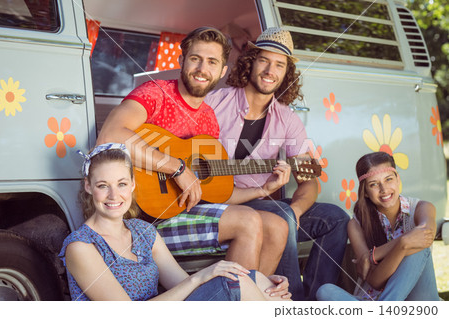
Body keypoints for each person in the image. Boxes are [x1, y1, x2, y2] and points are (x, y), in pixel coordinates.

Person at [96, 26, 290, 294]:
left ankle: (258, 301)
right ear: (181, 61)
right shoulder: (155, 94)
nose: (202, 68)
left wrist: (263, 190)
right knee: (248, 221)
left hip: (184, 212)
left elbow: (212, 193)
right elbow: (109, 136)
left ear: (222, 71)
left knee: (278, 225)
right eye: (196, 58)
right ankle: (229, 302)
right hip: (144, 219)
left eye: (212, 62)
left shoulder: (209, 118)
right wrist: (177, 168)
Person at [205, 27, 350, 301]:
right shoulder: (215, 103)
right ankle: (290, 301)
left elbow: (309, 180)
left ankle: (319, 295)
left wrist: (296, 210)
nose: (270, 70)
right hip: (219, 201)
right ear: (251, 61)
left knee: (335, 218)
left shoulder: (287, 119)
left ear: (286, 73)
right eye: (264, 60)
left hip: (261, 203)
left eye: (279, 65)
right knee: (280, 213)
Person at [58, 144, 289, 301]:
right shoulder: (81, 247)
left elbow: (182, 284)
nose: (113, 195)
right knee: (237, 284)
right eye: (102, 185)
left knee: (258, 280)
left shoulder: (143, 231)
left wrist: (263, 284)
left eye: (121, 184)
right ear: (88, 187)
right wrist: (203, 275)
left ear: (132, 185)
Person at [316, 152, 439, 301]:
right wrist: (402, 244)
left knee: (419, 249)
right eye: (373, 184)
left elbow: (426, 236)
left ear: (398, 179)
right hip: (375, 300)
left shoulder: (421, 207)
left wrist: (374, 254)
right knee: (325, 291)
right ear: (365, 192)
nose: (384, 189)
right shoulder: (356, 225)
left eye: (389, 179)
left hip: (417, 302)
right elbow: (375, 281)